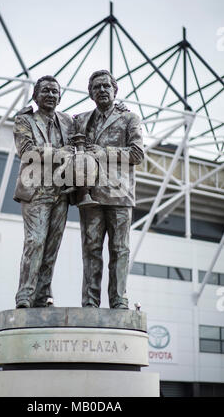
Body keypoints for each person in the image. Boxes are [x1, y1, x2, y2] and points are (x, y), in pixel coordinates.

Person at [74, 70, 144, 309]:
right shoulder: (80, 120)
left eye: (106, 86)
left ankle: (119, 300)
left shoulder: (129, 118)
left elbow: (137, 154)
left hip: (119, 195)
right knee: (90, 250)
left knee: (119, 250)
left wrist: (104, 153)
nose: (102, 90)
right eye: (97, 87)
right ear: (90, 93)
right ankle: (90, 302)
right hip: (90, 196)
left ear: (115, 90)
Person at [13, 75, 74, 308]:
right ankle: (25, 296)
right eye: (45, 91)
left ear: (60, 97)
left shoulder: (68, 121)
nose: (50, 95)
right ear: (35, 95)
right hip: (36, 190)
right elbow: (28, 151)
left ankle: (42, 295)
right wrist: (62, 154)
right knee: (35, 241)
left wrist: (120, 107)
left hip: (61, 191)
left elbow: (91, 126)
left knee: (51, 247)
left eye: (54, 92)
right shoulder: (24, 119)